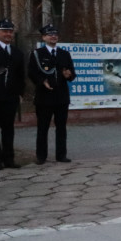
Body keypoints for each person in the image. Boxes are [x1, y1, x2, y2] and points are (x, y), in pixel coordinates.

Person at [0, 19, 27, 169]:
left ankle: (9, 159)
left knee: (8, 129)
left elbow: (20, 75)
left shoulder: (17, 52)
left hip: (10, 97)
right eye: (4, 31)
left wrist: (20, 93)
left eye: (10, 31)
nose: (8, 34)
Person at [28, 24, 76, 164]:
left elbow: (72, 74)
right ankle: (41, 156)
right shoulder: (37, 54)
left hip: (61, 97)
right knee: (43, 127)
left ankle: (61, 155)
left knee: (61, 128)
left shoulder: (64, 54)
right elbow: (32, 73)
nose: (53, 36)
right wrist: (42, 81)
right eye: (50, 34)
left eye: (55, 34)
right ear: (44, 37)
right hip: (44, 97)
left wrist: (69, 75)